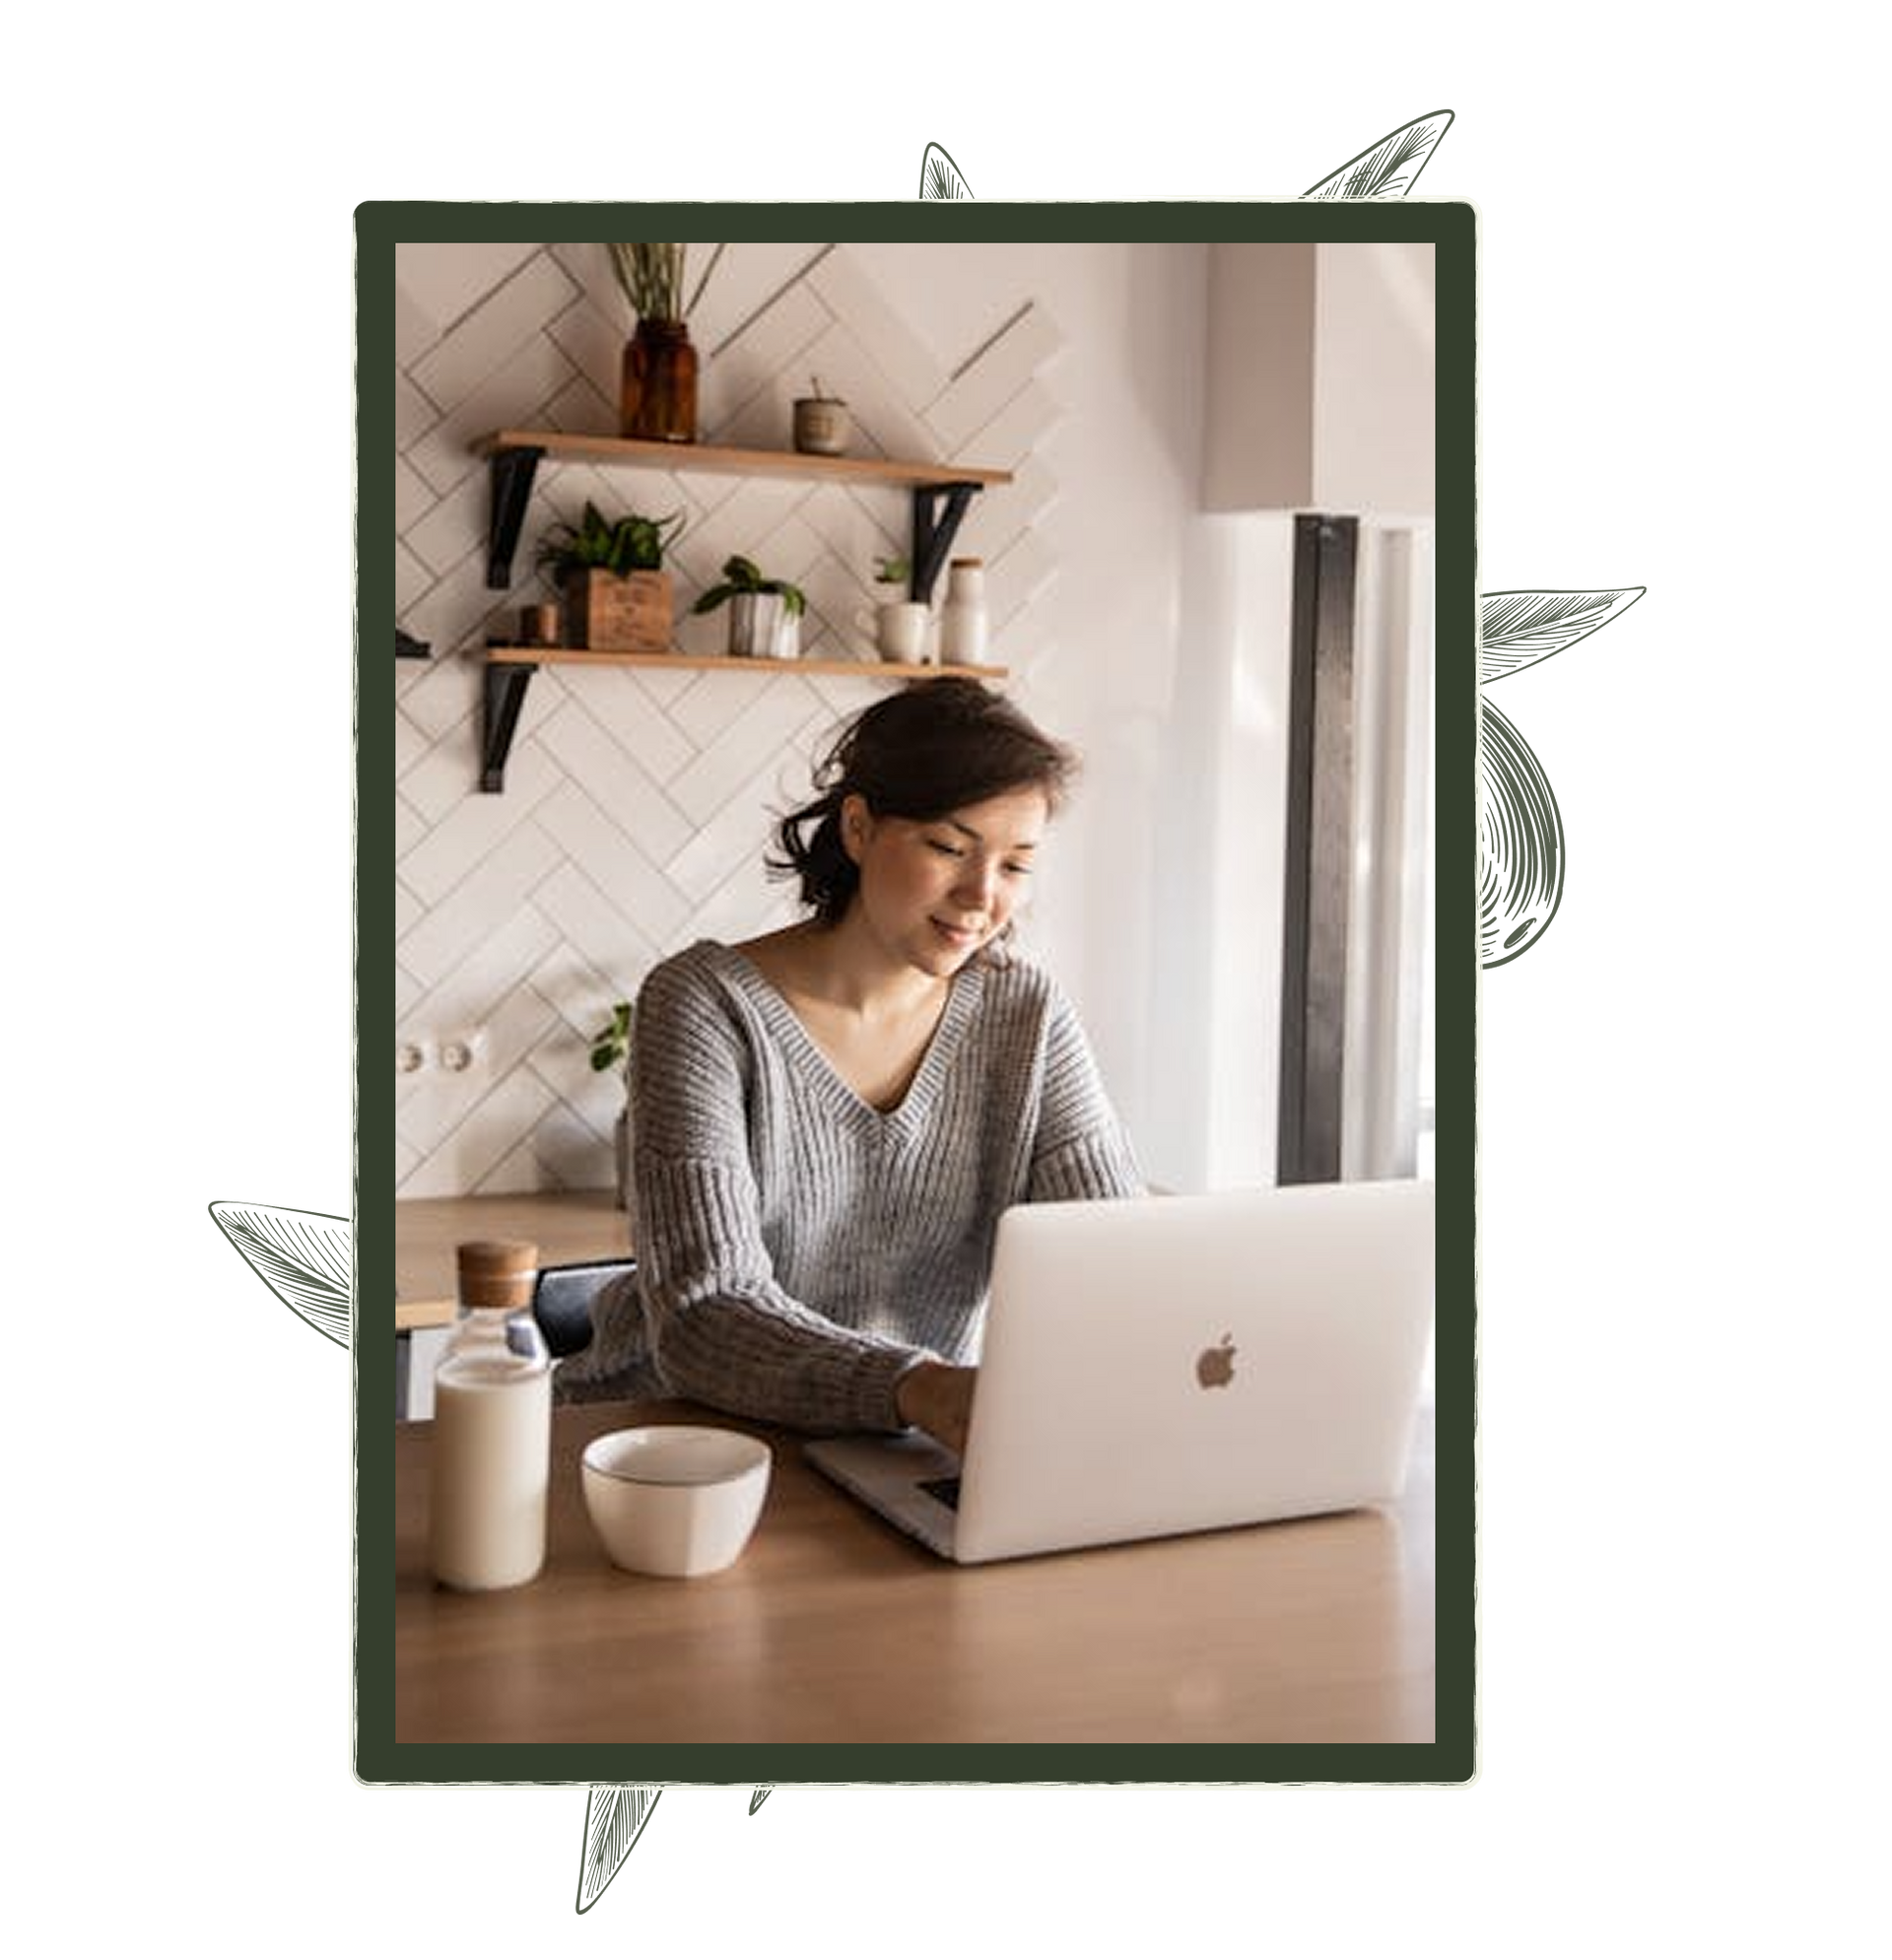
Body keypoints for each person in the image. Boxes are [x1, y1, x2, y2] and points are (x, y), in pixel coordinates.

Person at [554, 676, 1144, 1455]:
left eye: (1015, 866)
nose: (981, 896)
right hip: (658, 1444)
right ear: (859, 828)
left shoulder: (1025, 1016)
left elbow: (1118, 1258)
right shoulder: (704, 1004)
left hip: (889, 1447)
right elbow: (707, 1312)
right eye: (948, 847)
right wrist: (915, 1385)